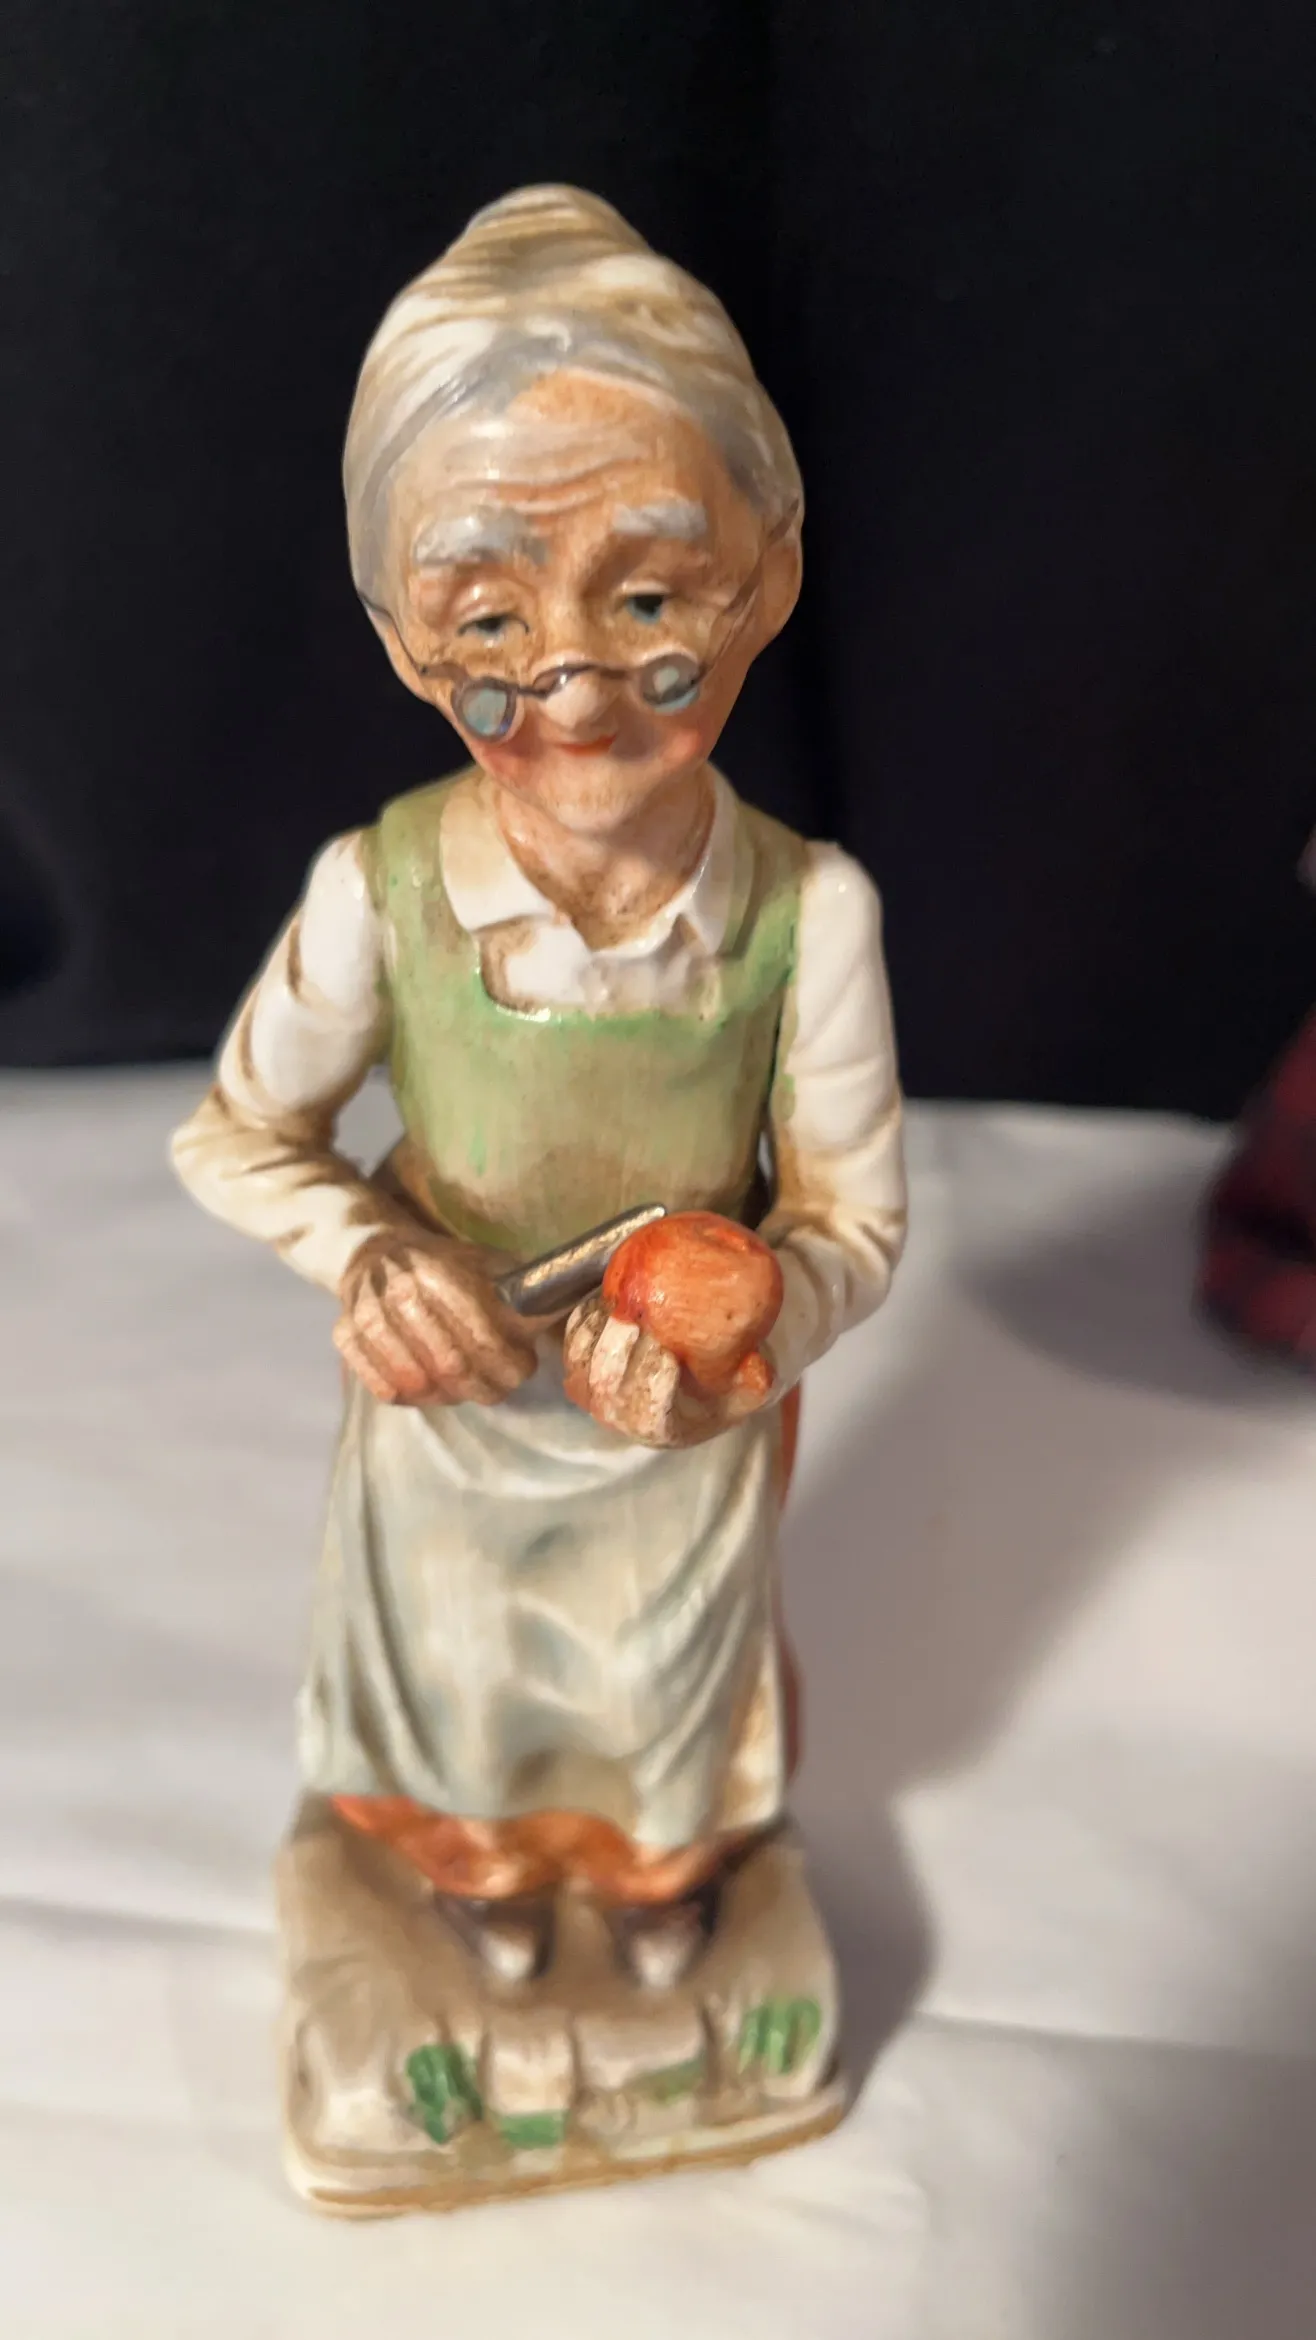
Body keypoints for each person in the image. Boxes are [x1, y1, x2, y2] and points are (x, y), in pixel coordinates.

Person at [171, 185, 907, 2007]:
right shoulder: (379, 891)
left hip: (678, 1440)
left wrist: (753, 1335)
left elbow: (854, 1219)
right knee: (461, 1700)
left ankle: (659, 1883)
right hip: (453, 1425)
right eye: (489, 617)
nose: (571, 680)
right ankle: (474, 1877)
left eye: (648, 594)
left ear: (769, 577)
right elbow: (235, 1131)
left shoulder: (808, 914)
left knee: (663, 1714)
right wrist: (365, 1255)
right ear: (401, 636)